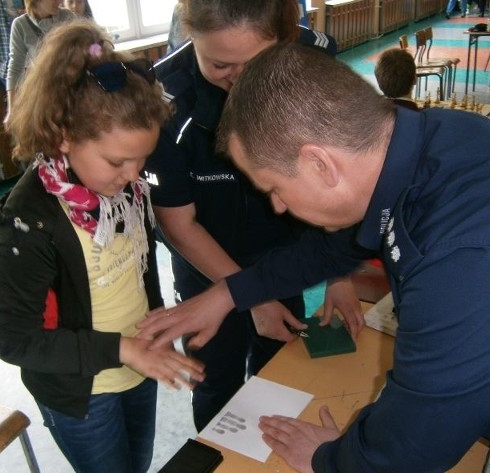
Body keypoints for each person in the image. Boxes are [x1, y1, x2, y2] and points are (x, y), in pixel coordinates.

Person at [140, 42, 490, 472]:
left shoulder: (474, 263)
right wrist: (230, 294)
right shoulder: (433, 138)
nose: (275, 206)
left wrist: (329, 459)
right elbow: (334, 246)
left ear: (320, 164)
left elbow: (411, 445)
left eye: (273, 188)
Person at [0, 20, 205, 473]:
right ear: (63, 136)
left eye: (142, 160)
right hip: (81, 392)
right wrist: (124, 349)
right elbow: (15, 341)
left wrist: (157, 325)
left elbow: (137, 271)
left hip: (137, 370)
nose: (132, 175)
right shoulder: (29, 219)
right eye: (117, 161)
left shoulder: (123, 191)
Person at [141, 0, 361, 432]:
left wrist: (340, 274)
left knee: (279, 367)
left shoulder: (312, 68)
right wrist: (251, 296)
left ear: (286, 41)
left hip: (284, 257)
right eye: (220, 63)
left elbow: (336, 184)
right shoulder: (166, 102)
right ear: (192, 39)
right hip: (207, 266)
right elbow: (178, 224)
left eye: (256, 62)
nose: (239, 78)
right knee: (214, 379)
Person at [5, 0, 75, 122]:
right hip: (47, 95)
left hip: (74, 90)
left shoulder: (68, 17)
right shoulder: (20, 25)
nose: (59, 2)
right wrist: (11, 110)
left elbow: (85, 49)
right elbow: (15, 68)